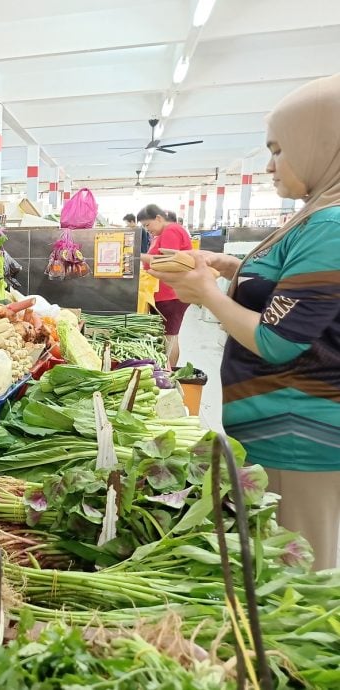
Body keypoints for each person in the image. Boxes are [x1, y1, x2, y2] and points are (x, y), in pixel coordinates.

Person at [148, 73, 340, 570]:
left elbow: (277, 341)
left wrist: (206, 294)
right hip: (284, 430)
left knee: (294, 582)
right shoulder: (315, 217)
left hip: (298, 436)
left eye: (279, 149)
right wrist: (231, 268)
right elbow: (292, 296)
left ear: (322, 144)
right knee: (282, 569)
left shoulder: (330, 224)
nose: (270, 166)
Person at [137, 203, 193, 367]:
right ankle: (168, 370)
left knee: (170, 337)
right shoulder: (163, 234)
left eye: (148, 225)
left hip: (171, 294)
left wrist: (136, 255)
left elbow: (167, 261)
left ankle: (170, 373)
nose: (147, 229)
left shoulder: (171, 230)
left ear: (159, 218)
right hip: (166, 294)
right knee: (168, 336)